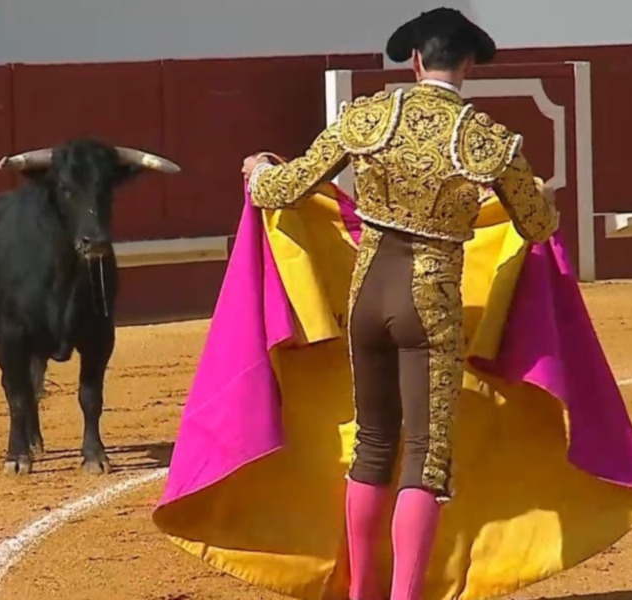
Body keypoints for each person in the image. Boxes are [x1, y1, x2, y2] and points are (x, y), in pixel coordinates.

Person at [242, 8, 559, 600]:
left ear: (414, 59)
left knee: (374, 443)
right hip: (429, 301)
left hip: (367, 295)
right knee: (425, 455)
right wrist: (538, 195)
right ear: (467, 64)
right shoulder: (485, 138)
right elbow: (538, 226)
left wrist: (258, 171)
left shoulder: (366, 118)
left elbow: (284, 188)